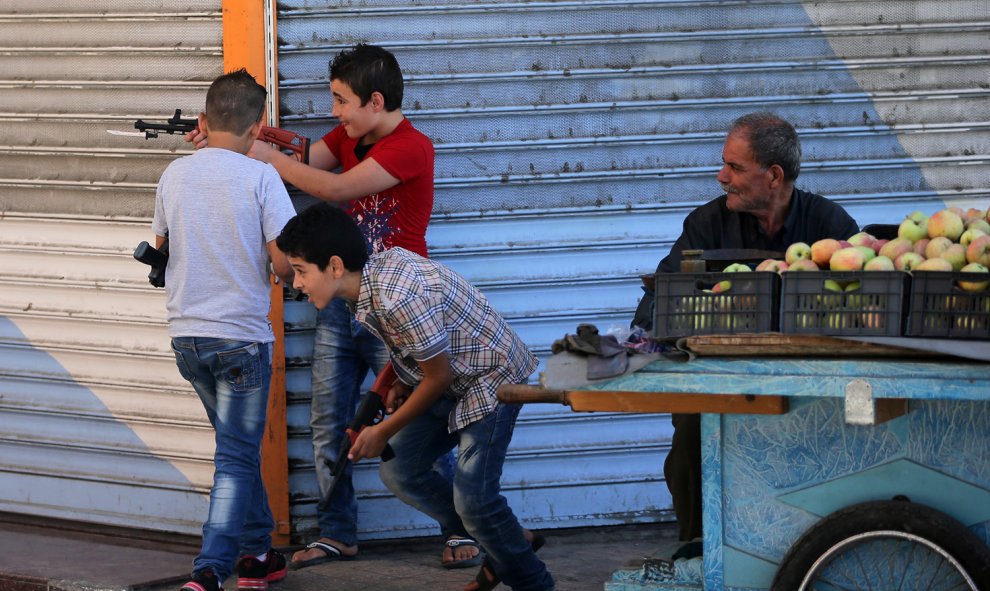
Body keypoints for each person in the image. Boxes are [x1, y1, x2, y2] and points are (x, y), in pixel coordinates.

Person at [190, 44, 465, 569]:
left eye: (341, 101)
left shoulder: (412, 148)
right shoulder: (349, 137)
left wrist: (268, 157)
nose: (333, 113)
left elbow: (333, 186)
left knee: (419, 423)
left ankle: (460, 527)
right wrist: (224, 147)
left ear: (376, 101)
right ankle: (338, 533)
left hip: (400, 309)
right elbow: (305, 162)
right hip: (341, 302)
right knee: (326, 422)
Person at [276, 203, 556, 591]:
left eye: (302, 271)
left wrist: (383, 430)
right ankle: (507, 542)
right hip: (452, 378)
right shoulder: (369, 284)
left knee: (476, 502)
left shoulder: (397, 296)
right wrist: (402, 381)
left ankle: (535, 581)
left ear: (335, 267)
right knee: (400, 470)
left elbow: (438, 377)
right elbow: (424, 354)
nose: (297, 284)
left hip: (491, 380)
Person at [632, 112, 860, 558]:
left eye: (734, 168)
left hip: (810, 381)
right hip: (720, 377)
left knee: (847, 430)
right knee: (690, 438)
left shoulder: (831, 227)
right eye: (724, 165)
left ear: (773, 176)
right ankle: (698, 547)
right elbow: (663, 294)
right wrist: (641, 340)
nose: (722, 177)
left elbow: (863, 306)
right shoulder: (704, 225)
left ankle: (817, 545)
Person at [154, 69, 297, 591]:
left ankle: (258, 552)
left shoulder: (173, 174)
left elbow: (160, 246)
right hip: (241, 340)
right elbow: (284, 267)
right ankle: (210, 570)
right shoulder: (261, 179)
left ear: (201, 121)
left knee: (235, 449)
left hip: (187, 339)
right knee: (236, 458)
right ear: (258, 129)